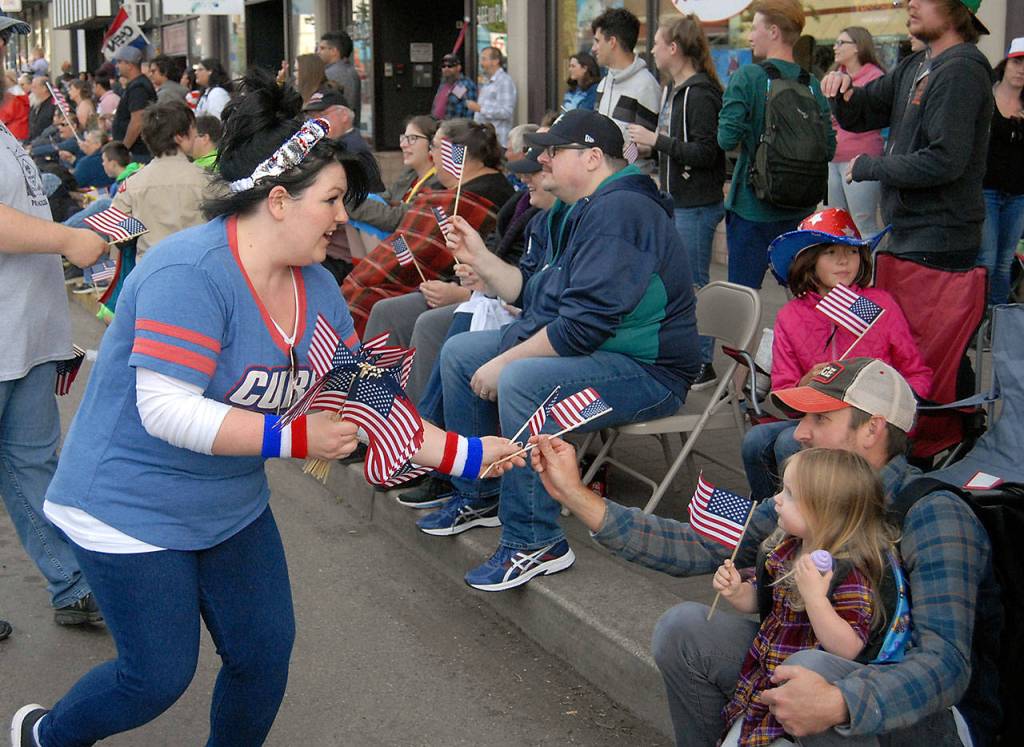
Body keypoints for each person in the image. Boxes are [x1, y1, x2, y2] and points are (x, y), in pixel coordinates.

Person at [10, 69, 522, 747]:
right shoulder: (190, 272)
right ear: (278, 200)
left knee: (262, 655)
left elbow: (368, 398)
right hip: (125, 503)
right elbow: (166, 409)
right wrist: (297, 435)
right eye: (333, 199)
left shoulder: (316, 287)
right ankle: (45, 735)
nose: (344, 217)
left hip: (228, 505)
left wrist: (475, 454)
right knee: (156, 675)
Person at [529, 356, 990, 746]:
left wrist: (842, 702)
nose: (801, 433)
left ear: (872, 429)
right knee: (685, 629)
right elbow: (700, 545)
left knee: (809, 670)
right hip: (803, 668)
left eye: (820, 418)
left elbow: (945, 665)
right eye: (803, 418)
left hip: (911, 720)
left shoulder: (934, 514)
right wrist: (577, 497)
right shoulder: (809, 494)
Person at [418, 109, 700, 591]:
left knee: (522, 380)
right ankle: (482, 490)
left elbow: (581, 328)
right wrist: (481, 258)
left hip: (649, 372)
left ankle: (534, 541)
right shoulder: (586, 206)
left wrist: (506, 361)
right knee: (462, 352)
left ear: (593, 158)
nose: (542, 159)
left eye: (555, 150)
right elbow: (537, 296)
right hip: (608, 354)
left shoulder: (621, 210)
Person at [0, 12, 109, 636]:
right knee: (30, 464)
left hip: (27, 336)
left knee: (34, 465)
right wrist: (68, 238)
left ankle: (70, 584)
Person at [742, 208, 931, 503]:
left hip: (869, 422)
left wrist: (896, 410)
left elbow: (917, 374)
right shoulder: (791, 316)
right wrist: (808, 380)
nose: (844, 260)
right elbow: (784, 395)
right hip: (818, 415)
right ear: (809, 261)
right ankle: (771, 514)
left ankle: (811, 519)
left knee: (786, 444)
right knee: (755, 441)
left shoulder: (879, 305)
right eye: (831, 252)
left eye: (852, 251)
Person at [717, 448, 903, 746]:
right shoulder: (787, 548)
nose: (776, 498)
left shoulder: (849, 572)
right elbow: (763, 602)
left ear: (824, 510)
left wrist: (816, 599)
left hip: (808, 699)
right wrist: (738, 591)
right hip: (765, 680)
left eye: (789, 494)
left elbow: (849, 647)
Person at [823, 0, 994, 270]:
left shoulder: (961, 70)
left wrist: (871, 166)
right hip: (909, 234)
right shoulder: (917, 64)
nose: (910, 3)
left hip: (939, 239)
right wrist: (842, 92)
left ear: (958, 10)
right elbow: (864, 110)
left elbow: (944, 160)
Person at [342, 117, 514, 335]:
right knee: (359, 293)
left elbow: (428, 250)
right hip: (421, 279)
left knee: (366, 300)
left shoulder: (483, 194)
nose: (432, 156)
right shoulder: (441, 185)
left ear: (454, 153)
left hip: (447, 287)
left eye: (435, 147)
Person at [628, 14, 725, 391]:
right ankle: (692, 357)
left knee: (695, 284)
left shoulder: (698, 93)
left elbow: (706, 152)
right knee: (685, 282)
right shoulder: (679, 90)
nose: (651, 49)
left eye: (656, 42)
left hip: (695, 204)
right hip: (681, 202)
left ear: (674, 48)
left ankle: (702, 361)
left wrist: (657, 141)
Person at [718, 0, 835, 290]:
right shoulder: (812, 84)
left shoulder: (748, 76)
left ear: (772, 31)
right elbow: (828, 148)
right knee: (801, 297)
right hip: (800, 210)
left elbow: (726, 139)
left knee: (743, 297)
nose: (749, 36)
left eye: (754, 28)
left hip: (751, 208)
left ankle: (741, 339)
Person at [111, 101, 212, 254]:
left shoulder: (132, 183)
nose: (195, 133)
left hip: (150, 269)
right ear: (180, 137)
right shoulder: (204, 178)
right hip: (196, 264)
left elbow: (116, 230)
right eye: (193, 128)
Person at [978, 37, 1024, 307]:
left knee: (1005, 261)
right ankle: (977, 323)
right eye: (1017, 62)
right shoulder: (986, 96)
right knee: (987, 258)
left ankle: (997, 324)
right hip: (986, 190)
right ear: (1005, 64)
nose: (1021, 70)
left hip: (1018, 195)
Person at [827, 27, 885, 238]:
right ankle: (846, 270)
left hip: (861, 158)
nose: (835, 47)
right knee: (837, 222)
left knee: (863, 222)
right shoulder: (836, 77)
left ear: (858, 47)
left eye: (842, 42)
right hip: (833, 158)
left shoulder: (874, 77)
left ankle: (870, 271)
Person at [346, 114, 439, 233]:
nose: (403, 144)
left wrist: (346, 202)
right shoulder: (410, 174)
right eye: (404, 138)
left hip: (410, 248)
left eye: (412, 138)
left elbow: (396, 219)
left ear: (432, 143)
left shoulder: (438, 182)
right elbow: (384, 198)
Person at [590, 8, 661, 143]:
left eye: (597, 41)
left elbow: (649, 148)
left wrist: (620, 155)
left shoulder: (646, 86)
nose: (593, 48)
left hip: (633, 165)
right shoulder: (603, 84)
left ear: (612, 42)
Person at [301, 89, 384, 192]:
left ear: (344, 115)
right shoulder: (333, 145)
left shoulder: (351, 150)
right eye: (312, 117)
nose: (316, 123)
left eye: (322, 115)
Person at [111, 46, 157, 162]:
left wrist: (124, 149)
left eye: (119, 62)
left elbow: (138, 121)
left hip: (138, 153)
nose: (117, 66)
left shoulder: (138, 88)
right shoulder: (134, 85)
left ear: (129, 64)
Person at [467, 46, 517, 147]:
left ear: (495, 61)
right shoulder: (488, 81)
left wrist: (480, 109)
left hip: (497, 141)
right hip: (485, 140)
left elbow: (506, 112)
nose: (481, 63)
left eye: (484, 59)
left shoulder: (504, 81)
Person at [318, 31, 361, 126]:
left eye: (322, 48)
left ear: (334, 51)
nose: (318, 52)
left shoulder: (333, 74)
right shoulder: (349, 70)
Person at [432, 53, 476, 120]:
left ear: (458, 67)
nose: (446, 68)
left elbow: (471, 110)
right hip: (439, 125)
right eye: (443, 66)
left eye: (450, 66)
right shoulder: (443, 84)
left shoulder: (465, 84)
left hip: (456, 127)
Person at [0, 68, 29, 140]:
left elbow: (7, 114)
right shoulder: (16, 93)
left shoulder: (15, 95)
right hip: (17, 127)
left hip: (15, 129)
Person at [27, 76, 55, 142]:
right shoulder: (35, 104)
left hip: (45, 142)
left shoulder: (53, 105)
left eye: (34, 87)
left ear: (44, 88)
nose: (32, 90)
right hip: (31, 140)